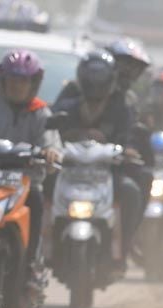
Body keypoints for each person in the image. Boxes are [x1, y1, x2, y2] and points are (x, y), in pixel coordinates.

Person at [53, 51, 152, 271]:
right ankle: (42, 251)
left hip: (109, 171)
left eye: (101, 82)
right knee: (43, 187)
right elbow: (52, 129)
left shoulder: (122, 107)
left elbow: (130, 135)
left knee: (130, 192)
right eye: (91, 81)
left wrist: (127, 151)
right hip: (70, 170)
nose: (95, 88)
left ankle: (123, 248)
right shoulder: (68, 103)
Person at [0, 49, 60, 300]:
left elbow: (52, 142)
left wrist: (50, 152)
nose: (17, 86)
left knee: (36, 200)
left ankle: (31, 266)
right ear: (2, 81)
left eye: (23, 81)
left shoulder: (41, 113)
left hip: (24, 183)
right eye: (12, 80)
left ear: (33, 83)